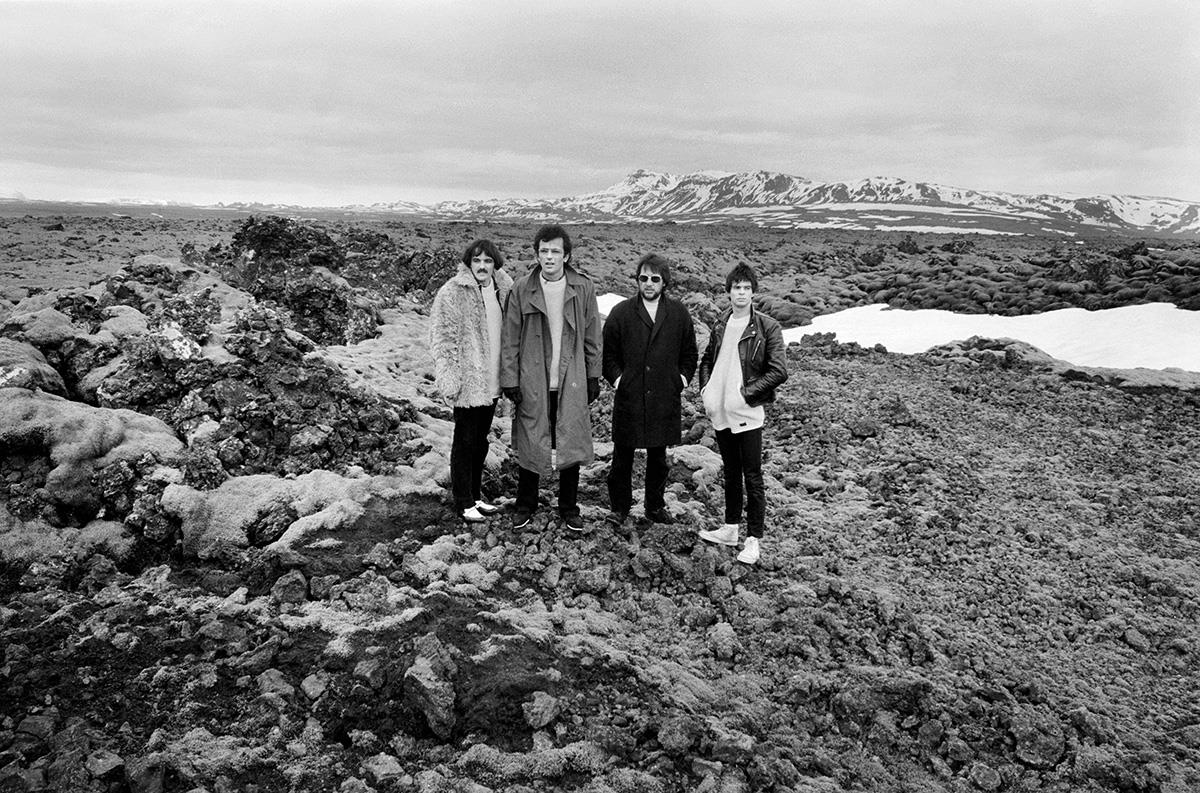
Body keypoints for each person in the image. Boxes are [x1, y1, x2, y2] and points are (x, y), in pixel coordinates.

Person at [500, 224, 602, 532]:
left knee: (569, 438)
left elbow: (593, 335)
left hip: (571, 376)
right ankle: (525, 504)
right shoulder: (522, 288)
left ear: (566, 255)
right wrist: (510, 378)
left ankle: (569, 506)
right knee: (532, 437)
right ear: (537, 254)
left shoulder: (583, 287)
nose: (549, 257)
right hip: (534, 377)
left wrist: (593, 375)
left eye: (555, 251)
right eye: (543, 251)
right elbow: (510, 337)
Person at [696, 263, 788, 564]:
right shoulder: (721, 323)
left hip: (746, 412)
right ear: (729, 291)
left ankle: (753, 539)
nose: (741, 293)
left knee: (753, 476)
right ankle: (730, 528)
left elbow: (778, 371)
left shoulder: (767, 327)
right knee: (732, 472)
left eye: (747, 288)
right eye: (737, 287)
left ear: (754, 292)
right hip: (720, 410)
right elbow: (708, 358)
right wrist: (706, 390)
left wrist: (745, 396)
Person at [602, 253, 698, 528]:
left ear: (664, 282)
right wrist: (620, 380)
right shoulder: (622, 312)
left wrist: (679, 380)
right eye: (643, 278)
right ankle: (619, 509)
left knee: (659, 459)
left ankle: (654, 507)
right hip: (630, 397)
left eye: (655, 278)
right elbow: (608, 354)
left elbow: (690, 354)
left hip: (663, 398)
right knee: (622, 458)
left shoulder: (678, 313)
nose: (648, 283)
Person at [429, 239, 514, 524]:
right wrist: (449, 379)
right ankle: (463, 501)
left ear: (495, 264)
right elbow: (443, 338)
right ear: (468, 263)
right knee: (464, 442)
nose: (482, 266)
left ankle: (476, 497)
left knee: (480, 442)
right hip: (468, 381)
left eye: (487, 261)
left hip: (491, 381)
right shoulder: (452, 292)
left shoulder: (503, 290)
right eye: (476, 260)